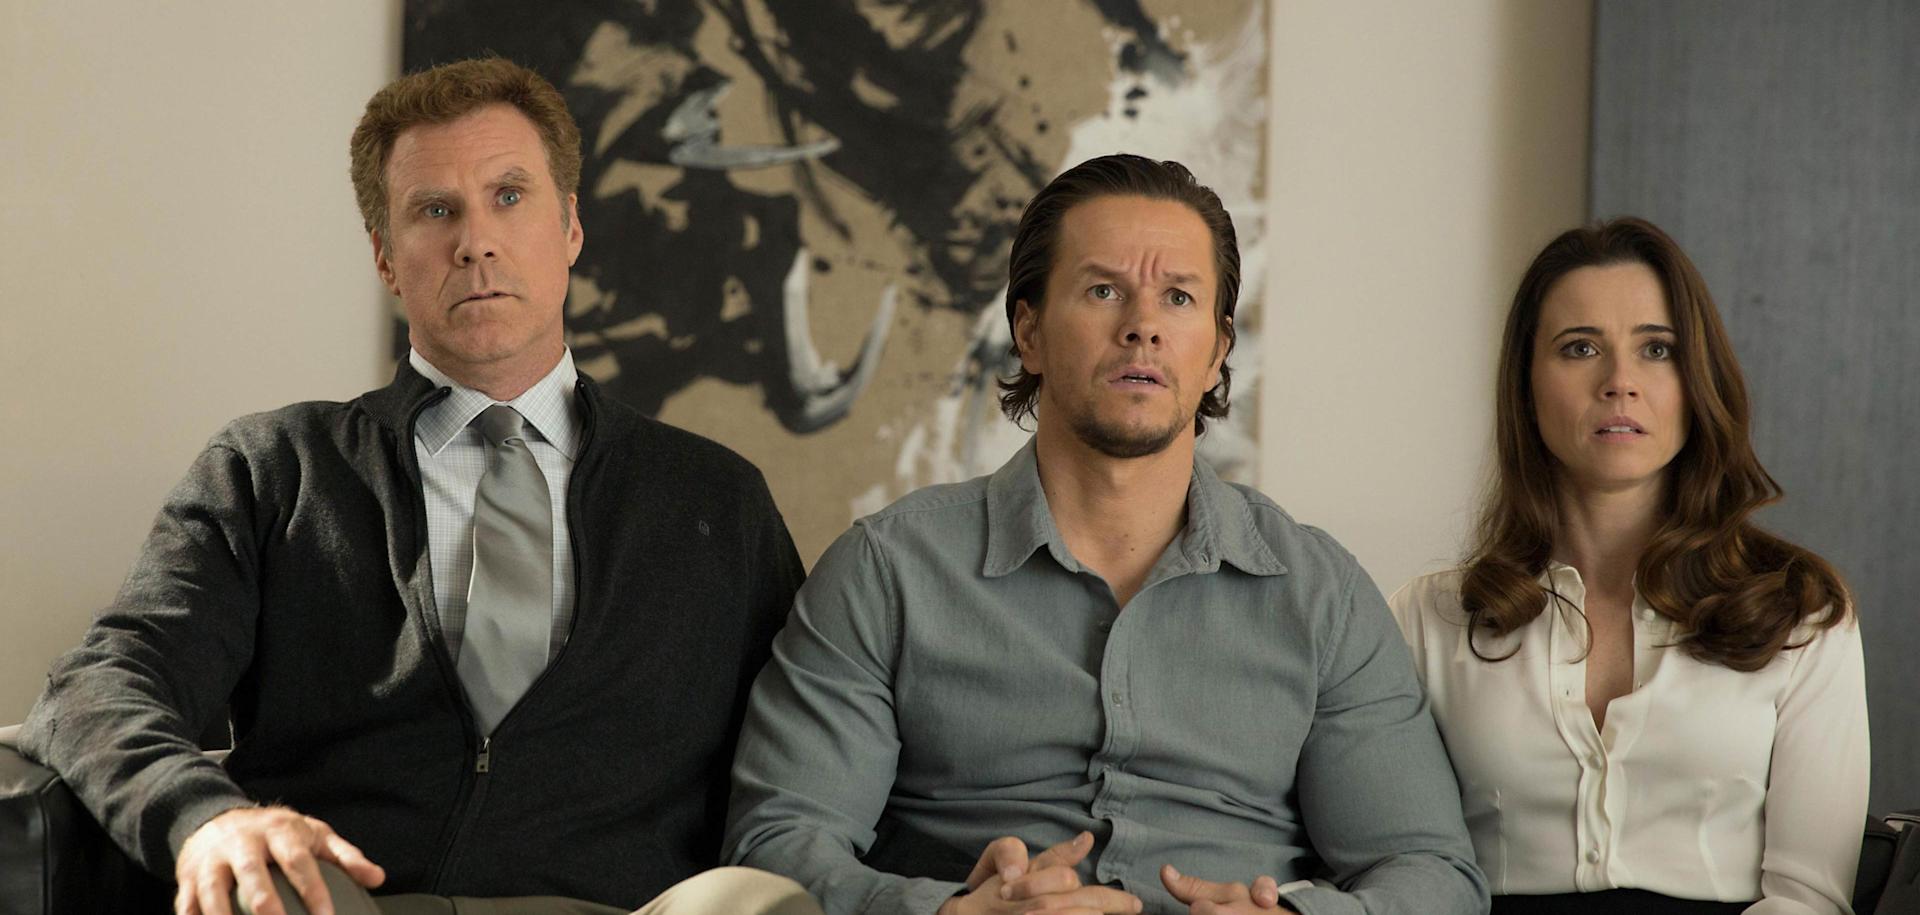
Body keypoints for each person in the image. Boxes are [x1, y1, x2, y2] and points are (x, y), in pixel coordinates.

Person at [20, 58, 819, 915]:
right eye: (435, 210)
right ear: (386, 257)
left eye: (508, 196)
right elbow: (97, 686)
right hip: (342, 900)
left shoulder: (716, 501)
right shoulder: (275, 468)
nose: (475, 241)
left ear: (571, 227)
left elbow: (812, 767)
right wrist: (205, 817)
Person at [724, 154, 1489, 915]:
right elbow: (778, 842)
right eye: (1103, 290)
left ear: (1218, 350)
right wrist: (947, 911)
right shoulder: (884, 571)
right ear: (1029, 332)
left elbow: (1430, 870)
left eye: (1178, 297)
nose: (1142, 327)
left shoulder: (1323, 593)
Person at [1388, 218, 1869, 914]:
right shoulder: (1424, 620)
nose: (1619, 382)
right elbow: (1397, 867)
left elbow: (1809, 898)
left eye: (1657, 349)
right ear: (1526, 384)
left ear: (1698, 379)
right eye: (1580, 348)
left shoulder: (1804, 612)